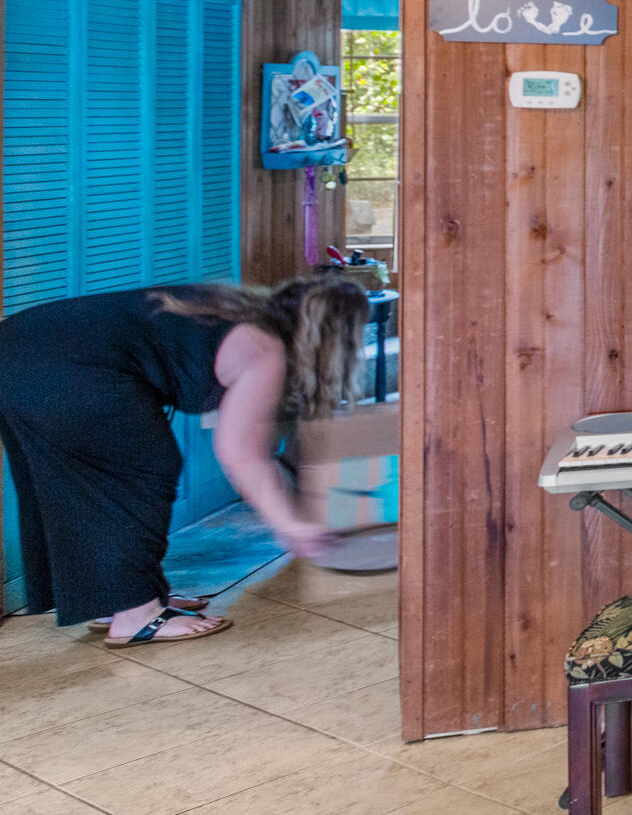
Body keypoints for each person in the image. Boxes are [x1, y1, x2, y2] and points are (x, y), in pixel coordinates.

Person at [0, 272, 367, 644]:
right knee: (141, 472)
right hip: (64, 363)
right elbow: (243, 454)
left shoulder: (230, 309)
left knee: (83, 486)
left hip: (20, 346)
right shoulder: (267, 346)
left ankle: (126, 599)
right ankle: (136, 615)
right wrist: (291, 525)